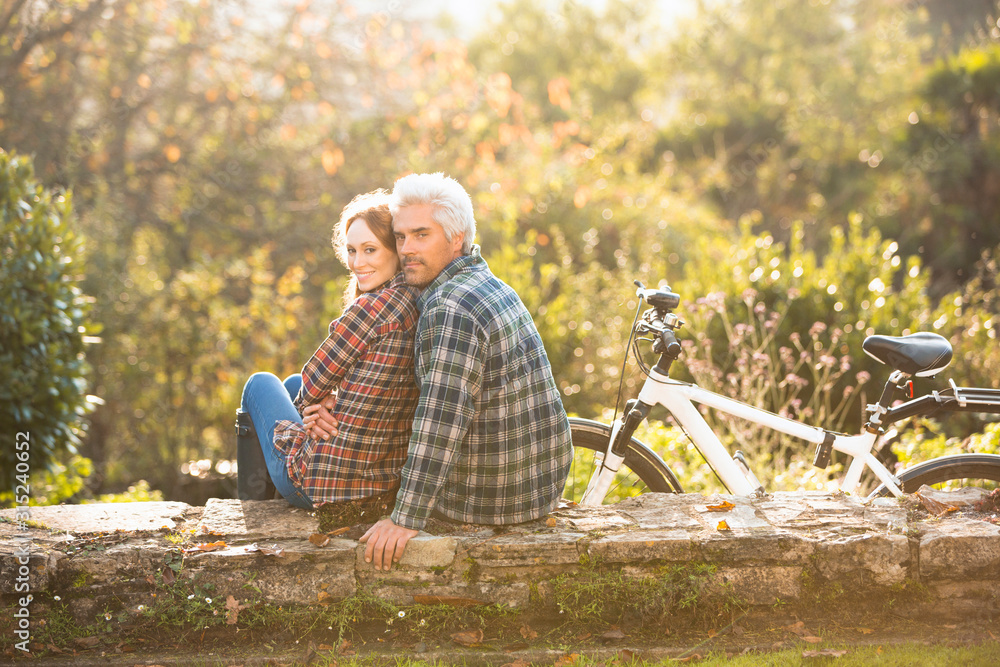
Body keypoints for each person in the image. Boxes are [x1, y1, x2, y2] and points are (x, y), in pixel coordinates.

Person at [317, 172, 574, 570]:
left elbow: (441, 419)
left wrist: (405, 518)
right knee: (299, 393)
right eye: (400, 237)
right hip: (538, 484)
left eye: (422, 235)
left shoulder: (450, 308)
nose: (406, 250)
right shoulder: (485, 281)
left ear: (456, 238)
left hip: (488, 496)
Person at [236, 190, 421, 510]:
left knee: (261, 383)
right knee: (291, 382)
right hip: (379, 479)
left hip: (322, 486)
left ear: (396, 251)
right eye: (351, 250)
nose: (357, 263)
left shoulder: (371, 309)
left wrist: (314, 403)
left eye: (370, 250)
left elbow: (311, 384)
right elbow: (315, 386)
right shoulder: (414, 299)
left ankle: (252, 508)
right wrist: (323, 400)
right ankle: (269, 501)